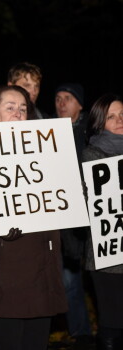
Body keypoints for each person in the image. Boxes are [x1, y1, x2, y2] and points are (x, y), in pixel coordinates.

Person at [0, 85, 67, 350]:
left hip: (39, 276)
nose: (18, 114)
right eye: (10, 108)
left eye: (23, 109)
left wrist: (72, 194)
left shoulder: (46, 151)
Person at [54, 83, 95, 346]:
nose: (61, 103)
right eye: (57, 98)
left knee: (100, 276)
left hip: (92, 216)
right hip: (63, 218)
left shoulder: (92, 132)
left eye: (67, 98)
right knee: (69, 277)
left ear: (80, 104)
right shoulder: (46, 133)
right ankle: (80, 333)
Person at [83, 93, 123, 349]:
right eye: (112, 116)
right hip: (107, 256)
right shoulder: (91, 155)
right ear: (99, 122)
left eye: (122, 115)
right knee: (113, 322)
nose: (119, 120)